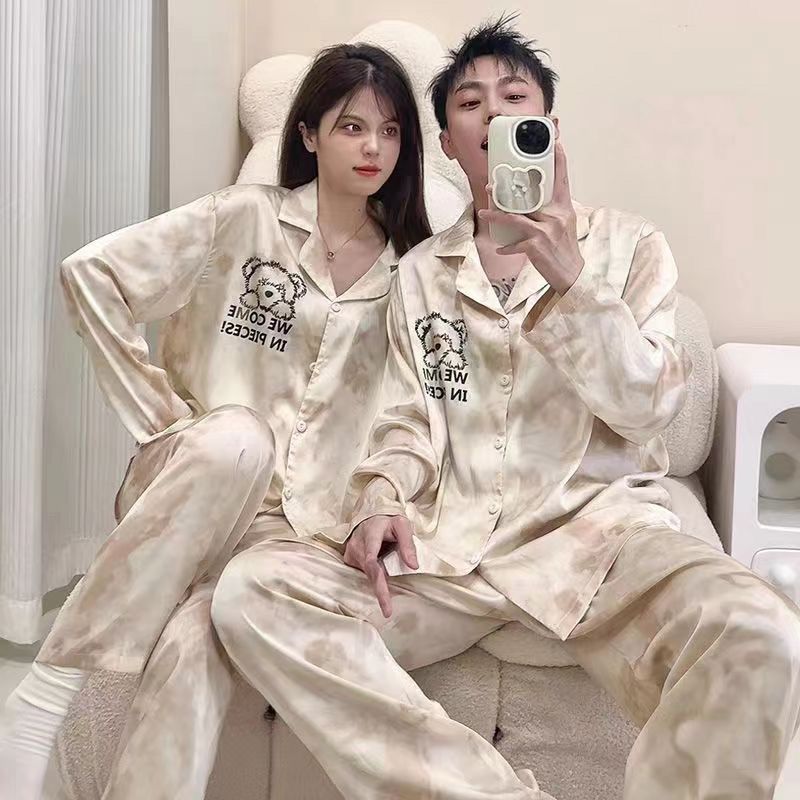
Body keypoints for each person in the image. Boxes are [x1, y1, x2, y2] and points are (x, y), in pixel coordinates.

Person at [211, 16, 800, 800]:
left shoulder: (629, 248)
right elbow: (407, 418)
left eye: (514, 98)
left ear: (547, 125)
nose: (492, 112)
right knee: (252, 592)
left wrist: (571, 282)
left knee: (764, 630)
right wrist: (380, 498)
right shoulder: (421, 274)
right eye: (470, 104)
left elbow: (651, 409)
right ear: (449, 145)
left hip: (599, 542)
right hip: (451, 548)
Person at [0, 43, 431, 800]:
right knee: (238, 439)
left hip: (291, 529)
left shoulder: (411, 273)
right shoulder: (243, 218)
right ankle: (49, 690)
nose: (373, 148)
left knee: (199, 637)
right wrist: (165, 421)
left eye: (391, 131)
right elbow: (92, 276)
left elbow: (407, 415)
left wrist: (377, 501)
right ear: (308, 134)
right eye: (352, 126)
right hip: (194, 478)